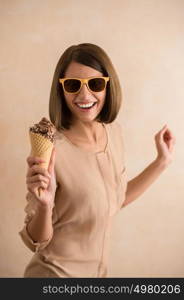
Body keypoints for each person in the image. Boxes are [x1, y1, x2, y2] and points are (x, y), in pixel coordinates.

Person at [19, 43, 176, 278]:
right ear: (61, 90)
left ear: (108, 86)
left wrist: (161, 162)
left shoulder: (114, 134)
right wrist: (44, 206)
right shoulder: (52, 152)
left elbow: (115, 198)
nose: (84, 95)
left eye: (95, 84)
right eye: (72, 85)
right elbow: (36, 241)